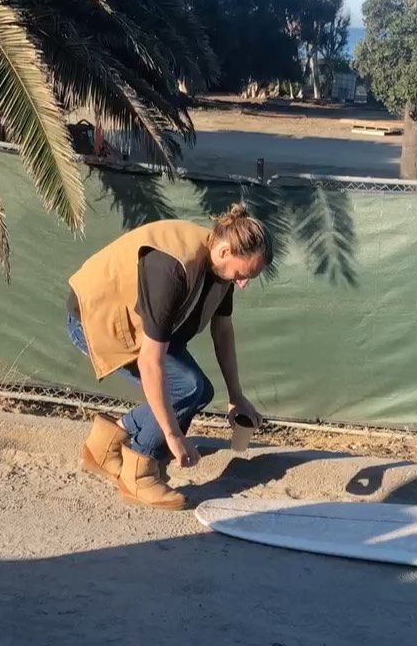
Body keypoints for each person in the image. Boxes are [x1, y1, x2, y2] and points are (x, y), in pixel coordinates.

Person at [66, 202, 270, 511]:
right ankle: (139, 470)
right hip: (96, 320)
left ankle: (104, 446)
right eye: (243, 274)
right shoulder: (172, 267)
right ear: (225, 251)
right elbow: (150, 362)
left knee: (199, 389)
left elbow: (223, 330)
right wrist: (173, 436)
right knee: (186, 386)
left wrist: (236, 396)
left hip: (141, 327)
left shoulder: (221, 268)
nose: (242, 283)